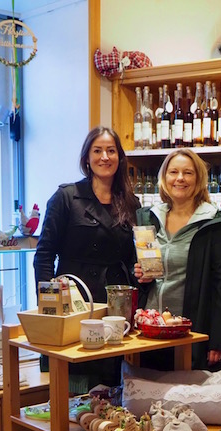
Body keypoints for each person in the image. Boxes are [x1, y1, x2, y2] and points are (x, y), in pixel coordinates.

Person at [34, 126, 141, 385]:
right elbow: (44, 254)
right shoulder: (67, 197)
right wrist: (49, 307)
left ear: (120, 157)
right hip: (75, 300)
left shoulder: (130, 202)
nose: (105, 157)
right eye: (98, 150)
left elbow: (131, 256)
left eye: (111, 151)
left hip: (115, 304)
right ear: (87, 158)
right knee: (76, 380)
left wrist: (139, 272)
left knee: (112, 382)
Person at [134, 148, 221, 370]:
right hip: (151, 331)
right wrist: (141, 276)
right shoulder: (149, 218)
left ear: (198, 179)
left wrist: (218, 341)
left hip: (191, 332)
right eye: (174, 172)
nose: (180, 178)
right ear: (164, 177)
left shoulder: (214, 223)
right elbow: (146, 276)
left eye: (188, 173)